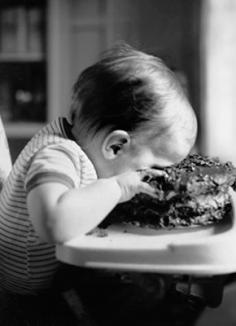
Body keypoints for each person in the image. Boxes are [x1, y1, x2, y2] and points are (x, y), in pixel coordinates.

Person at [0, 43, 197, 324]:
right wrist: (118, 188)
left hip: (56, 279)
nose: (153, 178)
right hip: (27, 306)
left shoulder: (77, 146)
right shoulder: (59, 154)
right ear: (116, 146)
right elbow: (54, 222)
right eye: (153, 168)